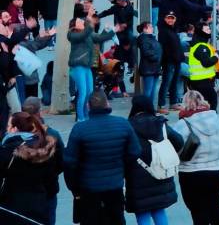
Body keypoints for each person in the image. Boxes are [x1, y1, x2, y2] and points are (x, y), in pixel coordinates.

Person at [63, 90, 141, 225]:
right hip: (114, 185)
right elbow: (135, 152)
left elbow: (70, 162)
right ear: (107, 103)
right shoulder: (123, 124)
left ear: (88, 106)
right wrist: (121, 166)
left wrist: (74, 188)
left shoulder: (80, 129)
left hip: (89, 188)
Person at [125, 95, 184, 225]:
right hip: (159, 171)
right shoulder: (160, 123)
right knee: (159, 210)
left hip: (136, 177)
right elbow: (179, 141)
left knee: (142, 212)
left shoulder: (128, 125)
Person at [172, 91, 219, 224]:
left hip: (191, 173)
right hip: (216, 170)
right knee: (214, 206)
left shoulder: (182, 124)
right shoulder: (215, 120)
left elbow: (176, 147)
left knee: (197, 210)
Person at [0, 112, 60, 225]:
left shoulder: (6, 151)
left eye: (8, 126)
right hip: (39, 206)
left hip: (11, 209)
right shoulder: (45, 149)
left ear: (15, 129)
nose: (6, 129)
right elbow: (52, 183)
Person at [22, 97, 64, 224]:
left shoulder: (17, 135)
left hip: (24, 190)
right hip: (47, 187)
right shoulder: (52, 134)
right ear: (39, 112)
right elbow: (61, 162)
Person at [67, 17, 118, 121]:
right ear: (74, 25)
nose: (82, 21)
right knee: (83, 92)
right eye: (80, 21)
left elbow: (100, 38)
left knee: (89, 91)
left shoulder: (87, 33)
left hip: (87, 66)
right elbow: (83, 35)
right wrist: (90, 23)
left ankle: (86, 116)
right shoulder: (72, 34)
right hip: (78, 66)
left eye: (82, 21)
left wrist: (111, 30)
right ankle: (81, 118)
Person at [187, 24, 219, 111]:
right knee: (211, 100)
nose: (209, 30)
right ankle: (212, 117)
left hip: (200, 80)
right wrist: (216, 57)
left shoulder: (200, 44)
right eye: (207, 29)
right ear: (201, 31)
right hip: (202, 80)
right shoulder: (200, 46)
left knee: (203, 102)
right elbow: (206, 63)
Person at [157, 12, 183, 114]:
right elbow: (162, 48)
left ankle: (173, 103)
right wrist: (163, 61)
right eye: (168, 18)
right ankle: (161, 105)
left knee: (174, 83)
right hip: (169, 62)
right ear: (164, 19)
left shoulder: (174, 30)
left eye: (172, 18)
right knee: (166, 83)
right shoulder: (163, 31)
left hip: (177, 61)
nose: (170, 20)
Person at [136, 22, 162, 104]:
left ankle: (150, 110)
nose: (152, 28)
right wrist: (157, 58)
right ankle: (146, 110)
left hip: (154, 68)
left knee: (152, 91)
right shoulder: (144, 39)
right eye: (150, 27)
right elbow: (146, 52)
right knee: (148, 91)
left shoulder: (151, 38)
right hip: (148, 68)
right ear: (145, 29)